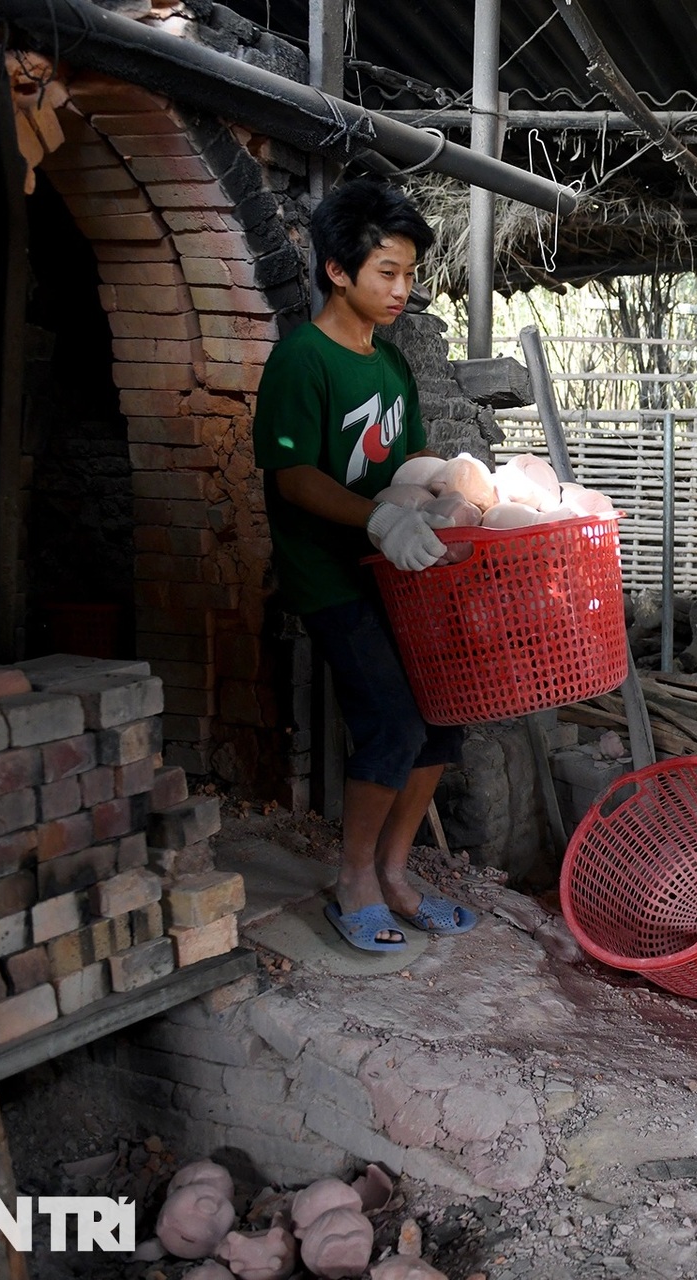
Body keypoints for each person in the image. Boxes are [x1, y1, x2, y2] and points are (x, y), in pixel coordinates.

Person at [252, 178, 477, 952]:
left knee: (444, 717)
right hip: (332, 577)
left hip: (401, 574)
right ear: (338, 271)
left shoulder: (389, 365)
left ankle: (395, 872)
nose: (402, 290)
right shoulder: (301, 362)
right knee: (390, 720)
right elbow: (295, 478)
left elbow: (407, 455)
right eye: (387, 271)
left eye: (410, 274)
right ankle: (352, 883)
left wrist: (448, 487)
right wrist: (378, 518)